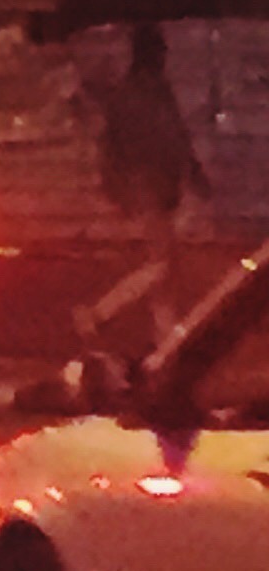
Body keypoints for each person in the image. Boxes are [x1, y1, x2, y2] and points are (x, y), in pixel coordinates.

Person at [82, 23, 208, 353]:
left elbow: (110, 146)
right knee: (162, 265)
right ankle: (100, 313)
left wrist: (113, 187)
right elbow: (174, 138)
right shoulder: (153, 94)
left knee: (163, 268)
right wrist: (194, 175)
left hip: (139, 188)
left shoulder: (126, 94)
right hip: (153, 188)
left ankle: (165, 339)